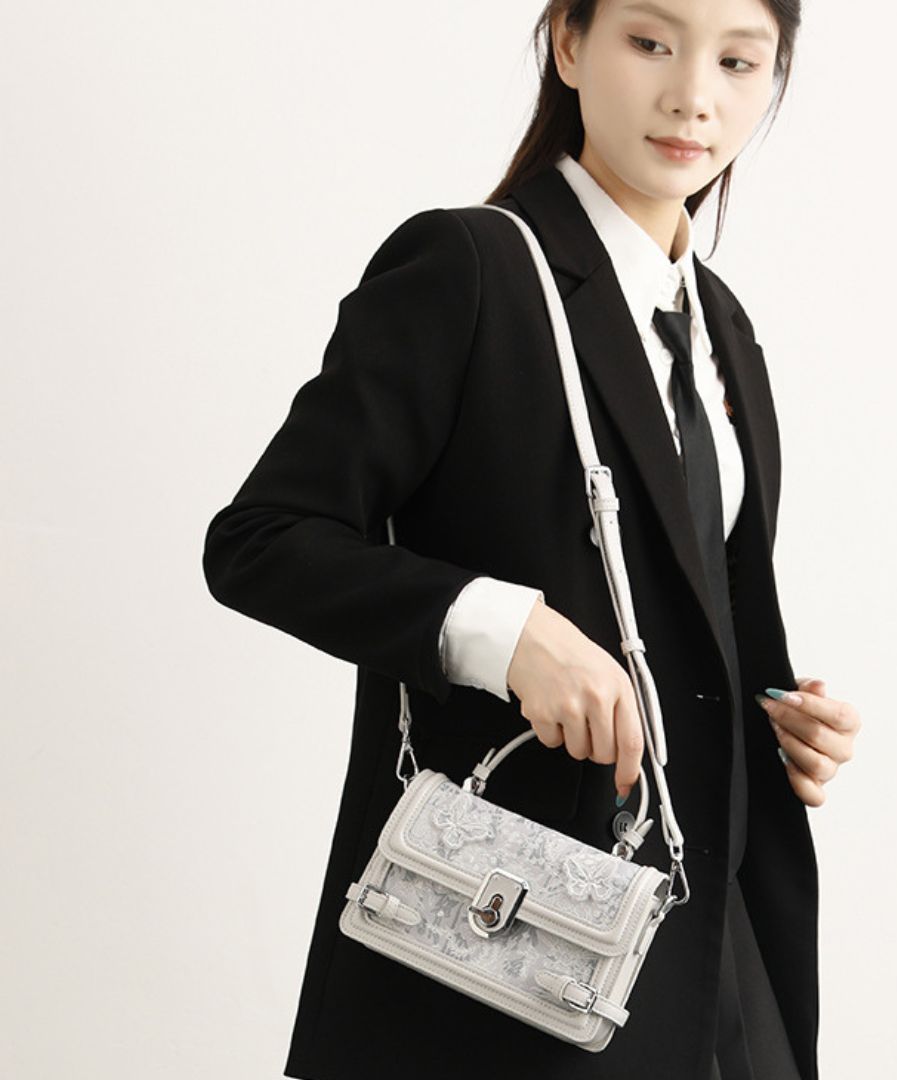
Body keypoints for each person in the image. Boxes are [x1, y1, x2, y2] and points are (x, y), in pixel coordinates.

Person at [202, 1, 862, 1077]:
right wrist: (506, 633)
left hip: (713, 936)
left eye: (740, 62)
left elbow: (690, 604)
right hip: (509, 944)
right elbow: (263, 540)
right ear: (568, 42)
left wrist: (775, 716)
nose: (694, 96)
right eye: (650, 42)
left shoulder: (723, 328)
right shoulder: (471, 267)